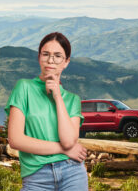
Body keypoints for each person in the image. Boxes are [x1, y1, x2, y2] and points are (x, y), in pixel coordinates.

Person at [5, 32, 88, 190]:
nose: (51, 60)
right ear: (39, 57)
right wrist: (65, 151)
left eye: (58, 56)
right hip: (36, 176)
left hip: (72, 172)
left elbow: (69, 141)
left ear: (66, 62)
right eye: (46, 54)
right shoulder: (24, 87)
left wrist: (57, 96)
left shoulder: (72, 99)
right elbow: (16, 140)